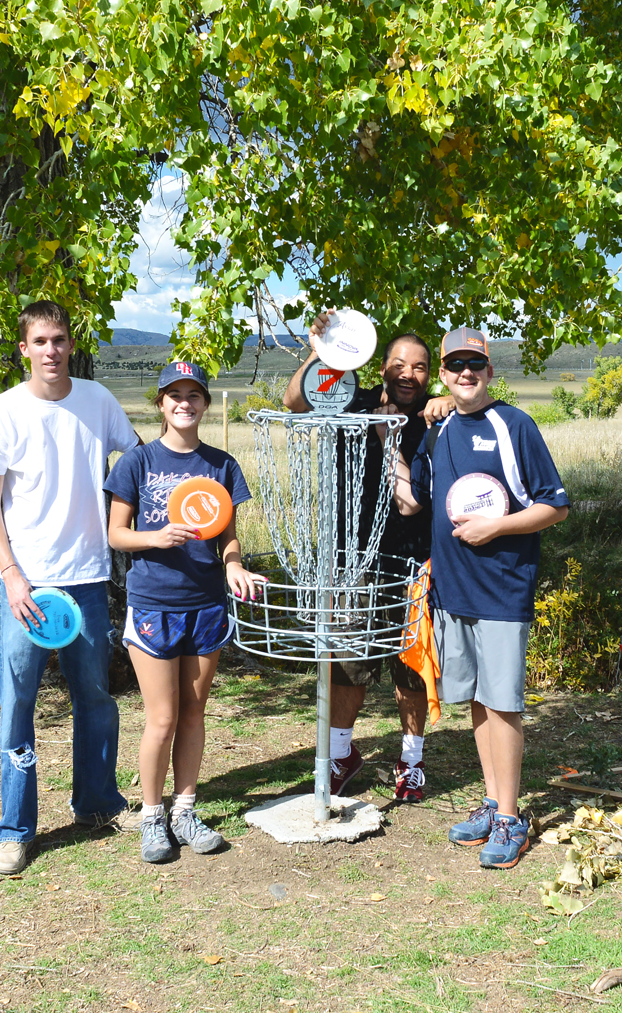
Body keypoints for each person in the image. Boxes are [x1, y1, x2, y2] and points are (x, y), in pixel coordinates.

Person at [0, 300, 142, 875]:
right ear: (24, 349)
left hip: (89, 580)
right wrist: (12, 575)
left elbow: (138, 459)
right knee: (17, 704)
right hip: (27, 585)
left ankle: (97, 805)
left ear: (72, 345)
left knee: (94, 697)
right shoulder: (4, 411)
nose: (51, 350)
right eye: (40, 341)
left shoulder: (97, 402)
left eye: (60, 340)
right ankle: (16, 830)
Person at [393, 326, 569, 869]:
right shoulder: (438, 428)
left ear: (491, 372)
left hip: (501, 590)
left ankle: (513, 818)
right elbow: (412, 504)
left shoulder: (513, 424)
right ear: (442, 375)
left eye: (476, 365)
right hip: (451, 592)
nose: (465, 374)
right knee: (476, 699)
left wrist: (496, 529)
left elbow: (555, 506)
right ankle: (494, 804)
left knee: (505, 702)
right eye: (454, 366)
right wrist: (384, 445)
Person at [282, 315, 452, 803]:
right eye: (398, 363)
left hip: (414, 559)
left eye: (420, 367)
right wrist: (325, 349)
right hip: (353, 557)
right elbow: (294, 400)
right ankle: (341, 755)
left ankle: (411, 761)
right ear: (380, 366)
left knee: (412, 666)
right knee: (348, 663)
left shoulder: (436, 420)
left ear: (429, 376)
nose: (408, 373)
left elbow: (426, 500)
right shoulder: (348, 399)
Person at [106, 362, 261, 863]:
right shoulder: (137, 462)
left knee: (194, 713)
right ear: (161, 404)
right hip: (155, 604)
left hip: (206, 606)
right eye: (174, 395)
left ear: (205, 404)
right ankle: (152, 817)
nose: (185, 403)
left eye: (194, 394)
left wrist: (234, 567)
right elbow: (115, 534)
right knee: (163, 717)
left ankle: (185, 810)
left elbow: (229, 537)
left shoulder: (221, 464)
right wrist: (156, 537)